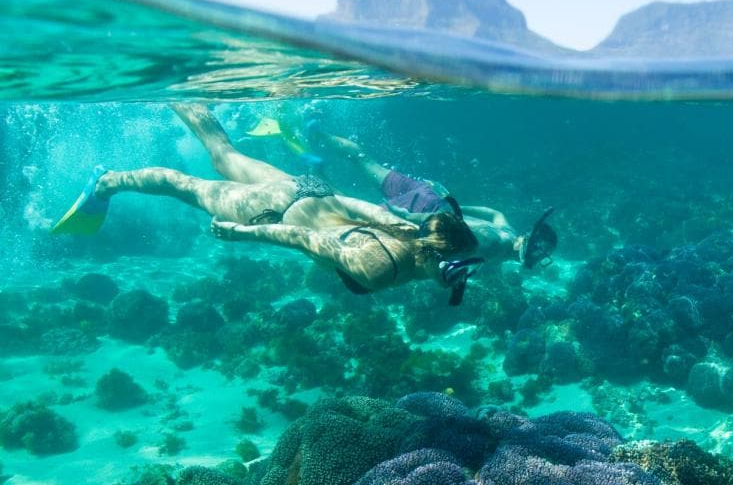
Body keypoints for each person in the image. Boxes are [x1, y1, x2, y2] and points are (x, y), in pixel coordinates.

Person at [51, 104, 484, 305]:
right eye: (459, 268)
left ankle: (185, 94)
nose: (461, 277)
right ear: (438, 258)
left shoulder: (412, 232)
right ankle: (106, 182)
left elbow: (357, 206)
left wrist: (317, 191)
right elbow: (302, 239)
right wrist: (245, 232)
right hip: (273, 211)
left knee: (224, 156)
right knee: (184, 186)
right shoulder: (378, 265)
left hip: (306, 188)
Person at [263, 115, 556, 269]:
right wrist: (407, 218)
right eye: (542, 255)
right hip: (421, 213)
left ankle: (318, 134)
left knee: (365, 160)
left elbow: (495, 213)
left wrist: (453, 200)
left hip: (431, 197)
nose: (541, 260)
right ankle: (315, 169)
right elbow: (448, 234)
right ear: (528, 245)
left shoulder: (506, 230)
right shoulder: (493, 247)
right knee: (344, 206)